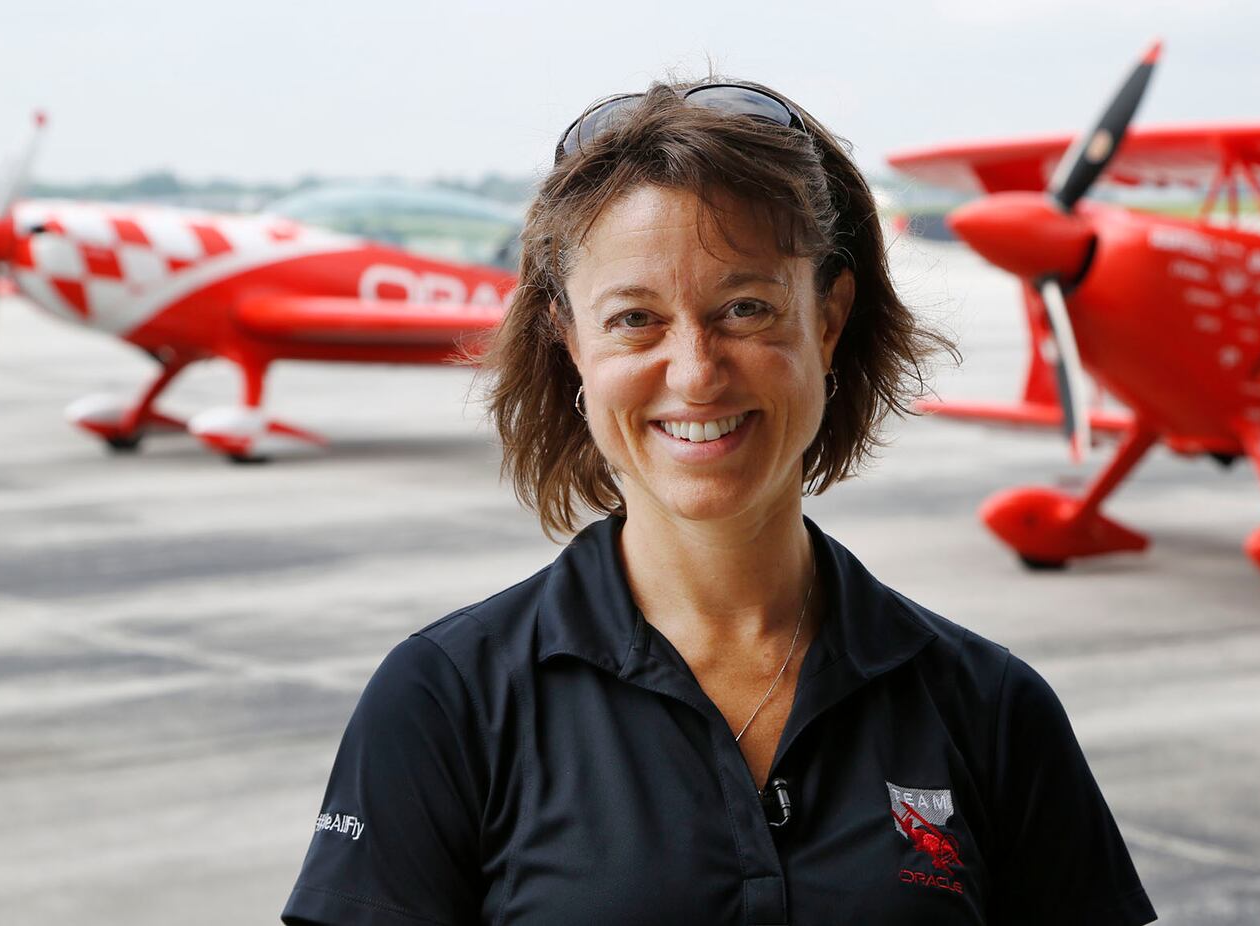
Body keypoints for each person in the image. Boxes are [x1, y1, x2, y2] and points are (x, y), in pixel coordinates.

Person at [282, 80, 1156, 926]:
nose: (696, 372)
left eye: (745, 308)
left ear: (828, 319)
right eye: (634, 318)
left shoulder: (991, 708)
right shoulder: (444, 702)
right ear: (568, 340)